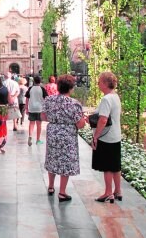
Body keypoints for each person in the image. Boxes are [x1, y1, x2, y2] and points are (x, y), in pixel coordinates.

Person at [41, 74, 86, 202]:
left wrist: (54, 120)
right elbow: (80, 124)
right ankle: (62, 192)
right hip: (68, 134)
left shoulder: (49, 100)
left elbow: (43, 116)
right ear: (71, 88)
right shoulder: (74, 104)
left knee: (52, 157)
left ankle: (50, 186)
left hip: (53, 132)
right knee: (65, 161)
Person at [92, 71, 122, 203]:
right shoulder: (115, 96)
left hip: (106, 136)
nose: (98, 84)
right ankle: (118, 191)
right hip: (116, 135)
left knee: (107, 166)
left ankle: (108, 192)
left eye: (99, 81)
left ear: (105, 83)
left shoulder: (106, 99)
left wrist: (96, 136)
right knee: (115, 164)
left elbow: (103, 120)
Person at [25, 75, 48, 146]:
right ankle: (38, 140)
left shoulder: (30, 88)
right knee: (39, 124)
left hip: (31, 108)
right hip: (39, 109)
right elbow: (46, 99)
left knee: (31, 123)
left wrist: (26, 108)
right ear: (40, 81)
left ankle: (30, 136)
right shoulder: (42, 89)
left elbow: (27, 99)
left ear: (33, 81)